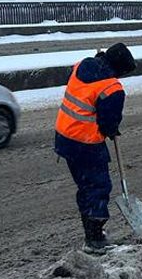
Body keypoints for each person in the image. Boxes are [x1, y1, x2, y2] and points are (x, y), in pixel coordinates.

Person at [54, 43, 136, 254]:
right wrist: (112, 129)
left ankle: (90, 230)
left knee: (85, 186)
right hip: (86, 143)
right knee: (98, 186)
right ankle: (94, 239)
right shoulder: (112, 88)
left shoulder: (82, 65)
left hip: (64, 137)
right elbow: (109, 122)